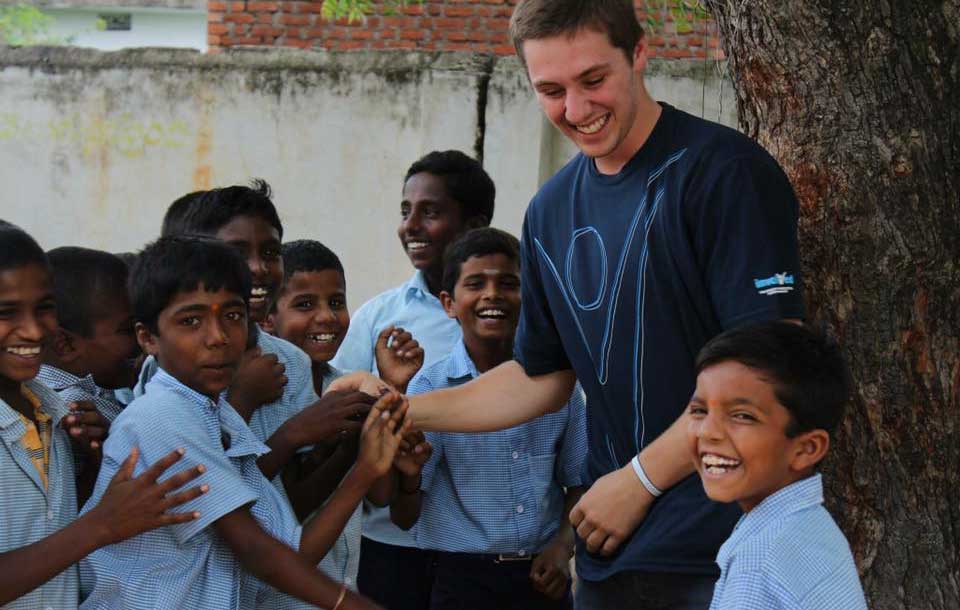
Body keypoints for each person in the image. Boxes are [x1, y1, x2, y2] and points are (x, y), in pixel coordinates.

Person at [333, 2, 807, 608]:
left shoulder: (723, 172)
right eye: (551, 91)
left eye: (593, 80)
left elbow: (769, 363)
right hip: (612, 546)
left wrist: (639, 480)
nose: (577, 111)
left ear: (639, 53)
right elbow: (540, 378)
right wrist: (399, 409)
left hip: (725, 543)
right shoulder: (550, 210)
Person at [79, 236, 401, 610]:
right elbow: (257, 551)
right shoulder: (161, 416)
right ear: (148, 337)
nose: (218, 338)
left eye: (232, 316)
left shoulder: (218, 417)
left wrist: (364, 471)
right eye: (191, 321)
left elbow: (291, 551)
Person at [0, 221, 206, 610]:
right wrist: (100, 525)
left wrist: (96, 466)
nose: (33, 330)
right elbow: (84, 534)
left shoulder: (51, 414)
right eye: (6, 312)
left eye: (44, 308)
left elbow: (48, 538)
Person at [330, 150, 495, 610]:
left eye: (431, 212)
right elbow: (336, 408)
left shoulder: (512, 318)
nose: (411, 226)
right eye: (406, 211)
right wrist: (388, 390)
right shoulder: (381, 317)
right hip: (393, 543)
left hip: (481, 548)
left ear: (473, 224)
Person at [391, 229, 587, 610]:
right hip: (461, 582)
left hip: (542, 579)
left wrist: (562, 547)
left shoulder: (558, 387)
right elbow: (404, 515)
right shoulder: (430, 389)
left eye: (509, 283)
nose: (492, 294)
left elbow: (580, 482)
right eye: (476, 283)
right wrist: (409, 476)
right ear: (448, 303)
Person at [265, 239, 423, 607]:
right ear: (269, 317)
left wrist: (392, 389)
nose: (326, 317)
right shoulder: (267, 393)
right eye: (305, 304)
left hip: (342, 581)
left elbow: (380, 495)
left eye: (336, 302)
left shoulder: (351, 386)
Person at [687, 321, 868, 610]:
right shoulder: (811, 527)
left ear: (806, 449)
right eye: (699, 410)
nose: (707, 431)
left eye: (742, 416)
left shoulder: (758, 561)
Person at [38, 247, 139, 424]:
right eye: (129, 329)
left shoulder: (96, 389)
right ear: (65, 344)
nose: (143, 339)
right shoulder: (74, 409)